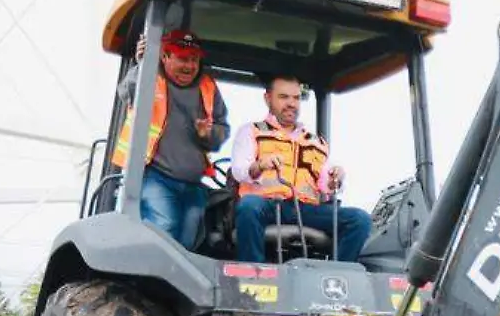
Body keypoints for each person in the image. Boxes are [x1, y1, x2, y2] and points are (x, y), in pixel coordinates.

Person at [230, 74, 371, 264]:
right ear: (268, 98)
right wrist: (260, 165)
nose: (291, 104)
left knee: (359, 220)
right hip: (268, 206)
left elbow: (326, 183)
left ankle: (334, 276)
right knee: (248, 206)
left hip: (306, 210)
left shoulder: (316, 142)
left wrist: (335, 179)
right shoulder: (251, 131)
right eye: (284, 97)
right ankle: (254, 273)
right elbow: (239, 170)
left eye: (296, 98)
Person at [112, 29, 229, 248]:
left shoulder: (208, 87)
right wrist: (143, 63)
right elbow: (127, 93)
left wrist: (208, 134)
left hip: (193, 184)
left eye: (194, 60)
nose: (189, 66)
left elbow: (222, 130)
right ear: (164, 56)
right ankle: (149, 280)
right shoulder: (150, 77)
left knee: (188, 242)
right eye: (183, 59)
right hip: (155, 176)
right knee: (164, 226)